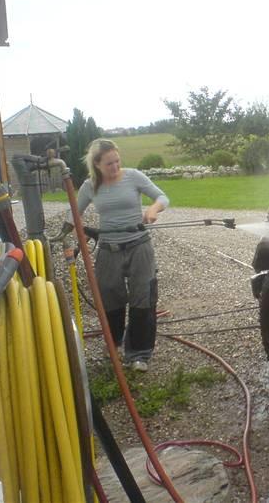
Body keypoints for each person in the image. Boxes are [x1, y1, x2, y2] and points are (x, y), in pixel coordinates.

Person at [72, 139, 169, 372]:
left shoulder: (133, 176)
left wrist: (153, 209)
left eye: (117, 161)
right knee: (110, 298)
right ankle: (114, 344)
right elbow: (75, 213)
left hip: (139, 246)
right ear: (97, 164)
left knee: (143, 297)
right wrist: (79, 233)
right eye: (109, 164)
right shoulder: (89, 186)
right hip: (109, 249)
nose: (115, 167)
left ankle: (139, 354)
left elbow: (162, 197)